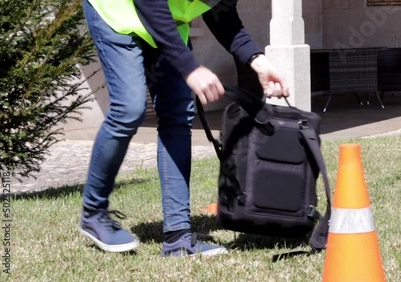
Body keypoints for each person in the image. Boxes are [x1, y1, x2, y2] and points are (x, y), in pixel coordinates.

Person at [78, 0, 290, 257]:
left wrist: (257, 59)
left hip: (166, 25)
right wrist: (190, 67)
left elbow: (221, 14)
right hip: (116, 14)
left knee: (177, 115)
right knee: (129, 109)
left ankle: (178, 238)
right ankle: (93, 212)